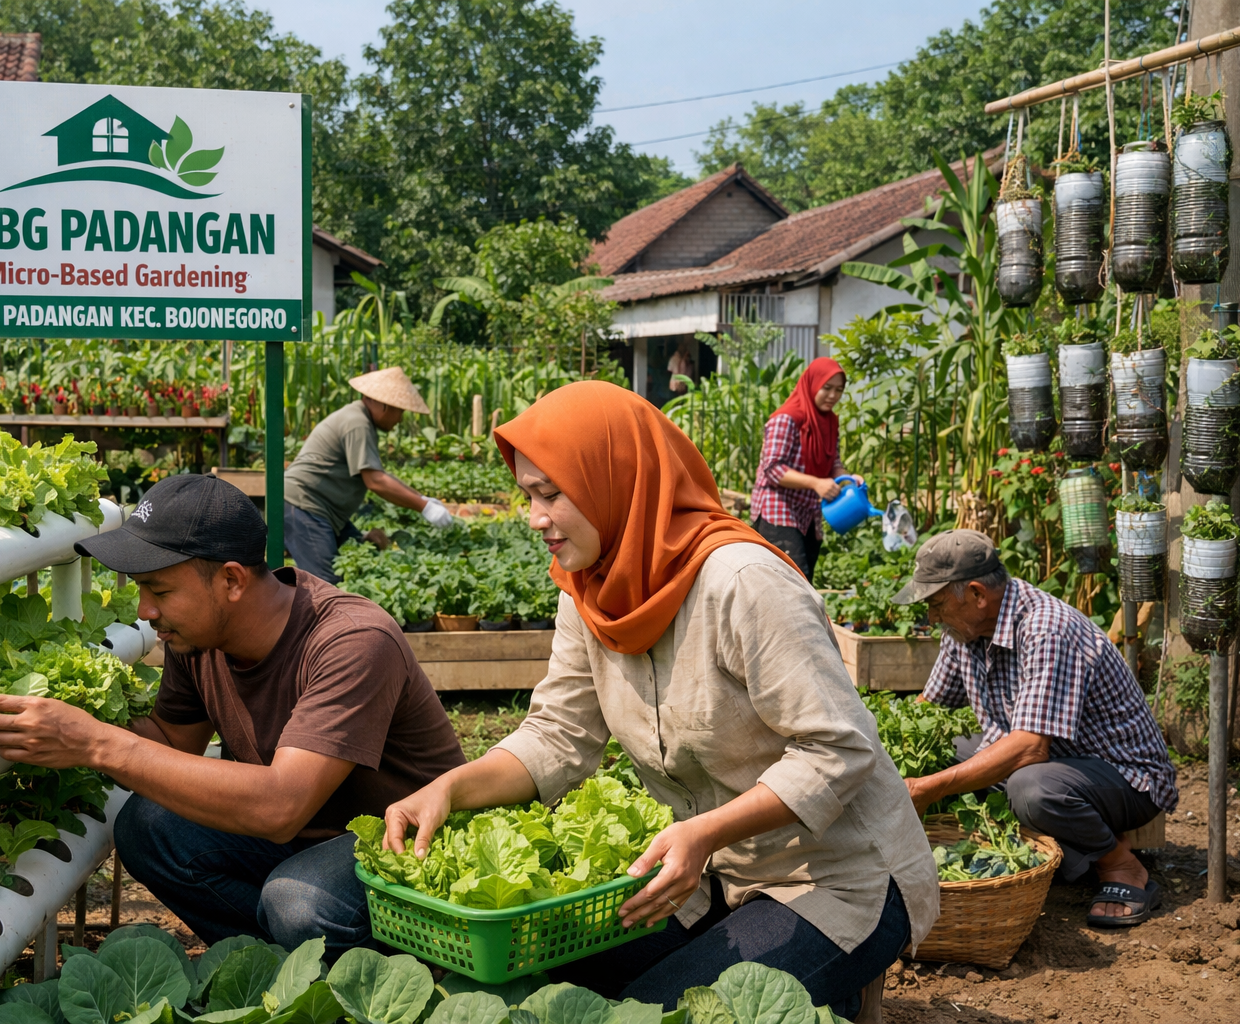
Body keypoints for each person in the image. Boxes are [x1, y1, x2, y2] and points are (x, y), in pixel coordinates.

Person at [381, 381, 938, 1017]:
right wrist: (450, 788)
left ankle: (844, 978)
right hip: (703, 877)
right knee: (545, 982)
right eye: (528, 494)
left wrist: (703, 832)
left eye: (550, 493)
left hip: (834, 877)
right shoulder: (587, 592)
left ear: (612, 479)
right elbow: (558, 734)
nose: (534, 517)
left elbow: (838, 750)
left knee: (658, 1011)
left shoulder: (743, 583)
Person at [0, 474, 466, 951]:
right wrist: (75, 713)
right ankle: (275, 971)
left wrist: (96, 742)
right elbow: (172, 740)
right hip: (304, 834)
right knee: (148, 828)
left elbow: (279, 808)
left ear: (231, 579)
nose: (144, 610)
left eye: (160, 590)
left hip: (407, 843)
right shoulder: (198, 636)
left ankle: (388, 975)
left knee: (297, 901)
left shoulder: (352, 641)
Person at [892, 530, 1178, 928]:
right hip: (1051, 763)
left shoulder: (1046, 628)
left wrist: (926, 788)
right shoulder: (965, 631)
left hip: (1121, 775)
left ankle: (1120, 864)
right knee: (943, 749)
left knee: (1032, 789)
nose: (933, 617)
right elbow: (930, 709)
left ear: (977, 594)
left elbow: (1029, 748)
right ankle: (1057, 849)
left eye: (937, 604)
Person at [282, 366, 455, 581]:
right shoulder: (357, 423)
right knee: (325, 587)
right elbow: (375, 481)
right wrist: (423, 507)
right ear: (384, 405)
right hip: (304, 507)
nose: (400, 419)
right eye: (399, 411)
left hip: (322, 511)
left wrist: (422, 499)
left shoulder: (360, 419)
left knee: (367, 548)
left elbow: (379, 474)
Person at [749, 356, 861, 581]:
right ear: (812, 384)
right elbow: (772, 468)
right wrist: (815, 483)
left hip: (808, 512)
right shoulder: (787, 419)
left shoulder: (829, 422)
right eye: (826, 388)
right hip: (777, 510)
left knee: (803, 581)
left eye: (839, 390)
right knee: (791, 581)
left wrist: (847, 478)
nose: (833, 396)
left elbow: (833, 463)